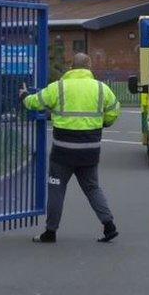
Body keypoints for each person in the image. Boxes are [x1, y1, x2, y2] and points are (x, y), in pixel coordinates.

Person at [20, 52, 120, 244]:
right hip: (90, 150)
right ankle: (109, 226)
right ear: (89, 66)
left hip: (63, 152)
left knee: (56, 189)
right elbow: (114, 110)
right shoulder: (101, 88)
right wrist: (104, 122)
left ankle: (50, 232)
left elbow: (34, 103)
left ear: (71, 67)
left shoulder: (59, 87)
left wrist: (24, 96)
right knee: (92, 188)